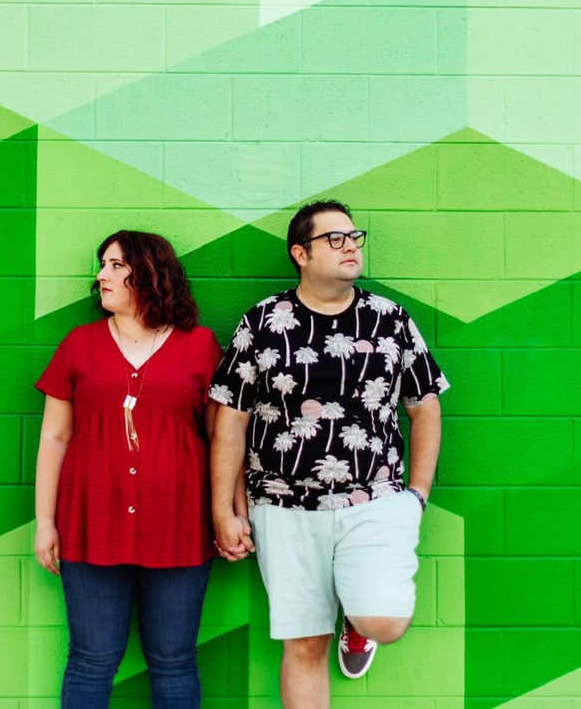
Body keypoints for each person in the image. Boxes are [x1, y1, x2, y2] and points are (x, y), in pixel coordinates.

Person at [209, 200, 449, 708]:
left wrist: (417, 496)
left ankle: (359, 622)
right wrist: (224, 509)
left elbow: (424, 407)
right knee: (304, 644)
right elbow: (231, 418)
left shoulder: (390, 320)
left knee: (384, 621)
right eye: (334, 238)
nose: (350, 246)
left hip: (376, 498)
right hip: (281, 504)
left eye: (354, 237)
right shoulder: (264, 322)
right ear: (301, 253)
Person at [34, 230, 224, 709]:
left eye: (116, 265)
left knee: (174, 660)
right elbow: (55, 437)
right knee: (91, 661)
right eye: (102, 265)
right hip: (90, 524)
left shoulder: (199, 345)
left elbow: (222, 439)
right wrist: (44, 522)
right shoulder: (79, 344)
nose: (101, 275)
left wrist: (229, 513)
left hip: (179, 525)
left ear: (151, 272)